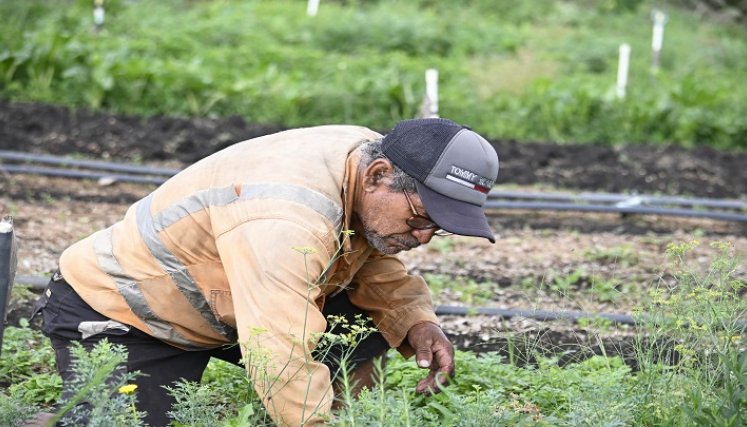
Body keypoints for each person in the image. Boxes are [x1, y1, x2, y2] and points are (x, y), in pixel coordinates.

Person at [32, 117, 499, 426]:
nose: (421, 237)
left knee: (365, 325)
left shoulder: (367, 159)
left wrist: (416, 321)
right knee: (120, 420)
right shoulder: (283, 217)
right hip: (129, 314)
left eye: (437, 228)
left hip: (229, 299)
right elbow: (277, 348)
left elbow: (369, 254)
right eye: (419, 219)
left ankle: (349, 415)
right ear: (378, 175)